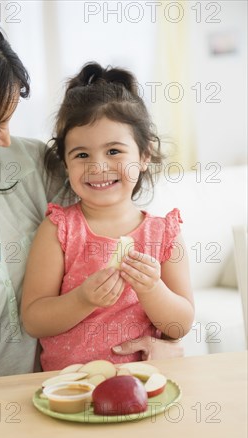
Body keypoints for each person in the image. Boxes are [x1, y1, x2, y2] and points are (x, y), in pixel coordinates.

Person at [0, 6, 184, 387]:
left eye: (8, 120)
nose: (5, 140)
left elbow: (120, 223)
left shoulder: (29, 164)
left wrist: (170, 340)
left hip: (72, 398)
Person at [21, 63, 194, 371]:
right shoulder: (58, 230)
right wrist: (83, 299)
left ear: (144, 155)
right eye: (82, 155)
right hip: (70, 388)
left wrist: (152, 289)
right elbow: (34, 319)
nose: (98, 166)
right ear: (65, 163)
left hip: (144, 384)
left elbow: (180, 325)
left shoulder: (163, 233)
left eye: (114, 151)